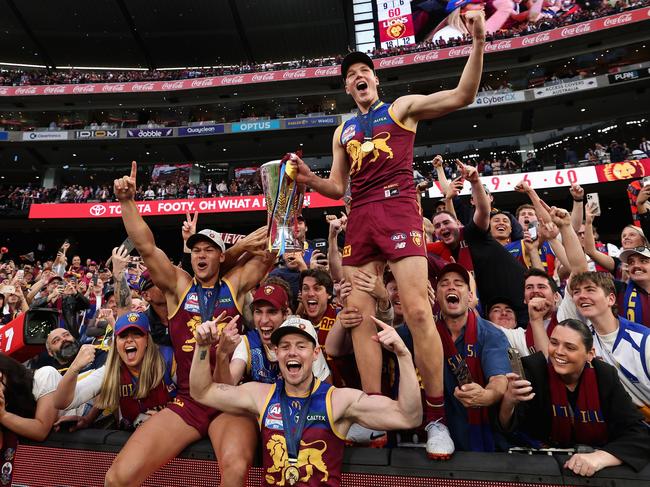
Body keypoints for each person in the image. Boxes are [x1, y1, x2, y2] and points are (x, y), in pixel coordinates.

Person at [289, 12, 487, 458]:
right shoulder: (342, 130)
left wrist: (477, 42)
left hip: (398, 208)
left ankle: (435, 417)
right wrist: (308, 179)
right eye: (351, 75)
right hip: (360, 214)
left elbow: (463, 94)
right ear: (346, 88)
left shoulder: (400, 109)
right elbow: (337, 188)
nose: (359, 77)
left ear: (375, 80)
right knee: (357, 315)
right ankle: (375, 413)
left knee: (418, 311)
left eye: (364, 72)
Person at [106, 161, 274, 487]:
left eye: (209, 250)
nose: (201, 255)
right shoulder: (179, 285)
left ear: (221, 257)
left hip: (227, 399)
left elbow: (269, 252)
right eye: (196, 249)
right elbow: (146, 246)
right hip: (189, 402)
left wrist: (285, 215)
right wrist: (127, 202)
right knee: (117, 478)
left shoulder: (235, 284)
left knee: (236, 472)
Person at [190, 315, 422, 486]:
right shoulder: (261, 395)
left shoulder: (338, 400)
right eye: (285, 347)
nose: (292, 352)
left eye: (301, 346)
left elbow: (408, 416)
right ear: (277, 354)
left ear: (315, 353)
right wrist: (202, 347)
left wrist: (403, 354)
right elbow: (201, 392)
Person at [499, 319, 650, 477]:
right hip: (540, 470)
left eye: (569, 347)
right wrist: (509, 401)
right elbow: (509, 428)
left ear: (590, 354)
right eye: (554, 343)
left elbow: (638, 434)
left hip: (595, 475)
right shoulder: (534, 370)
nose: (559, 351)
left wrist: (599, 459)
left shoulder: (605, 376)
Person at [52, 312, 176, 431]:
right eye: (123, 336)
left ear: (148, 340)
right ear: (115, 343)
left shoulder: (169, 359)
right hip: (128, 436)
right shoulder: (112, 369)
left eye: (137, 334)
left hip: (170, 434)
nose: (129, 340)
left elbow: (193, 401)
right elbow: (61, 402)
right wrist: (74, 368)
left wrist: (168, 417)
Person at [435, 263, 510, 452]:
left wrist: (486, 395)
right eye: (444, 283)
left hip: (478, 434)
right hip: (434, 434)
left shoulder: (490, 333)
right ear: (437, 296)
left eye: (459, 283)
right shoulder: (421, 330)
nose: (451, 286)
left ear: (470, 296)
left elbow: (499, 379)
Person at [557, 271, 650, 420]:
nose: (581, 296)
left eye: (590, 289)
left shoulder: (644, 340)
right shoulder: (583, 343)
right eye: (576, 292)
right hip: (624, 427)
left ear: (611, 299)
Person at [0, 353, 60, 486]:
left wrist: (3, 415)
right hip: (37, 463)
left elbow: (41, 430)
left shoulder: (44, 375)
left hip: (76, 445)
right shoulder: (7, 400)